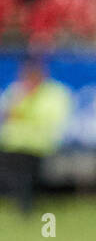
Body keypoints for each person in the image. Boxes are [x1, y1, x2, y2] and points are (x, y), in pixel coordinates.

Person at [0, 55, 73, 215]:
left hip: (37, 144)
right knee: (16, 178)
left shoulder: (53, 93)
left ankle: (28, 210)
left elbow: (51, 117)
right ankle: (22, 209)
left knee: (31, 179)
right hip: (14, 143)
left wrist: (23, 110)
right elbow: (6, 113)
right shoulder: (17, 90)